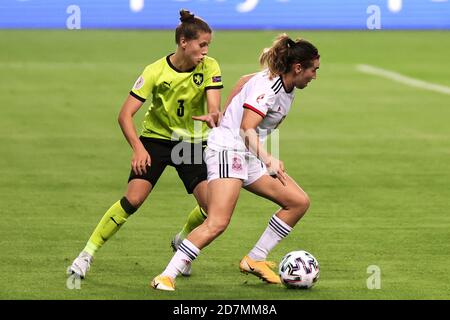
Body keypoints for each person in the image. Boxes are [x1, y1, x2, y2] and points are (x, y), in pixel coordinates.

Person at [151, 33, 320, 291]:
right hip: (230, 150)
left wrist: (226, 113)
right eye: (313, 70)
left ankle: (255, 258)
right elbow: (245, 128)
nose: (314, 76)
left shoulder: (281, 84)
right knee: (217, 222)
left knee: (298, 202)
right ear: (298, 68)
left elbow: (243, 81)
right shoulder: (269, 89)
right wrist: (268, 158)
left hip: (246, 152)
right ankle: (166, 276)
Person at [67, 9, 223, 280]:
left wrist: (213, 115)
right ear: (184, 43)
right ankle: (85, 256)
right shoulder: (155, 71)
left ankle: (182, 241)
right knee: (133, 199)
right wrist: (138, 148)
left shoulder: (210, 67)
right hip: (156, 140)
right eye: (202, 44)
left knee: (213, 209)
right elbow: (125, 114)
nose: (206, 51)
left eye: (208, 45)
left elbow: (213, 105)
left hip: (191, 143)